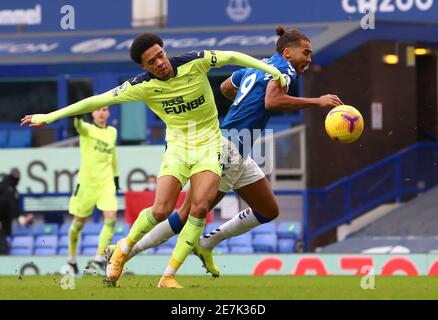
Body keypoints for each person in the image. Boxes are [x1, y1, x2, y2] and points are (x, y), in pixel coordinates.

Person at [21, 32, 287, 288]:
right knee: (161, 210)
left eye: (161, 55)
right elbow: (98, 100)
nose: (160, 63)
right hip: (178, 150)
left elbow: (231, 56)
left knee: (200, 207)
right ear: (143, 66)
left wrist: (274, 72)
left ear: (165, 50)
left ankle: (168, 276)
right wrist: (50, 116)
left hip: (210, 147)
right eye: (152, 61)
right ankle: (123, 250)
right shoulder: (141, 86)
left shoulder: (195, 61)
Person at [107, 26, 343, 277]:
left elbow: (227, 88)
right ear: (287, 52)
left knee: (268, 210)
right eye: (305, 53)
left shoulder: (259, 65)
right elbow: (272, 101)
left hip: (239, 146)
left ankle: (207, 243)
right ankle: (123, 252)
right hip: (229, 148)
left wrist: (244, 106)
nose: (308, 59)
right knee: (188, 214)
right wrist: (317, 101)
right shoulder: (284, 69)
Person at [63, 106, 120, 275]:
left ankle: (99, 258)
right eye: (98, 110)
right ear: (92, 114)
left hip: (106, 182)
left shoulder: (113, 132)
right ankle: (72, 259)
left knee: (111, 219)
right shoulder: (86, 129)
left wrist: (116, 177)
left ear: (108, 113)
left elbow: (113, 156)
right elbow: (78, 124)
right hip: (87, 184)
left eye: (104, 109)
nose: (102, 113)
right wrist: (80, 110)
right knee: (77, 225)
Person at [0, 169, 33, 255]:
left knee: (5, 239)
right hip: (3, 221)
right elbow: (12, 207)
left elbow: (12, 208)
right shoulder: (8, 190)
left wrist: (21, 219)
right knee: (3, 244)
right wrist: (21, 219)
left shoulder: (12, 190)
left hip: (5, 220)